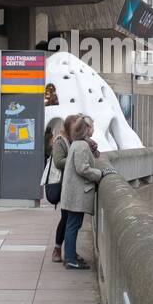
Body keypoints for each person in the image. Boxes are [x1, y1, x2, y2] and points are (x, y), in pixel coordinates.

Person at [60, 115, 114, 270]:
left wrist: (93, 147)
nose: (94, 129)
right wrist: (99, 174)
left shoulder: (79, 144)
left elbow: (93, 158)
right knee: (73, 225)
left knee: (72, 225)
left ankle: (71, 254)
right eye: (92, 127)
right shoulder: (81, 146)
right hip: (77, 193)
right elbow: (82, 168)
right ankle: (70, 258)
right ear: (86, 129)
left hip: (73, 192)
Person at [45, 116, 74, 263]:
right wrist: (75, 160)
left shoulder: (74, 141)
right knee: (65, 218)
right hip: (62, 184)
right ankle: (57, 249)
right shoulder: (61, 141)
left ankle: (70, 251)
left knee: (69, 218)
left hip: (70, 184)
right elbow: (58, 161)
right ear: (70, 128)